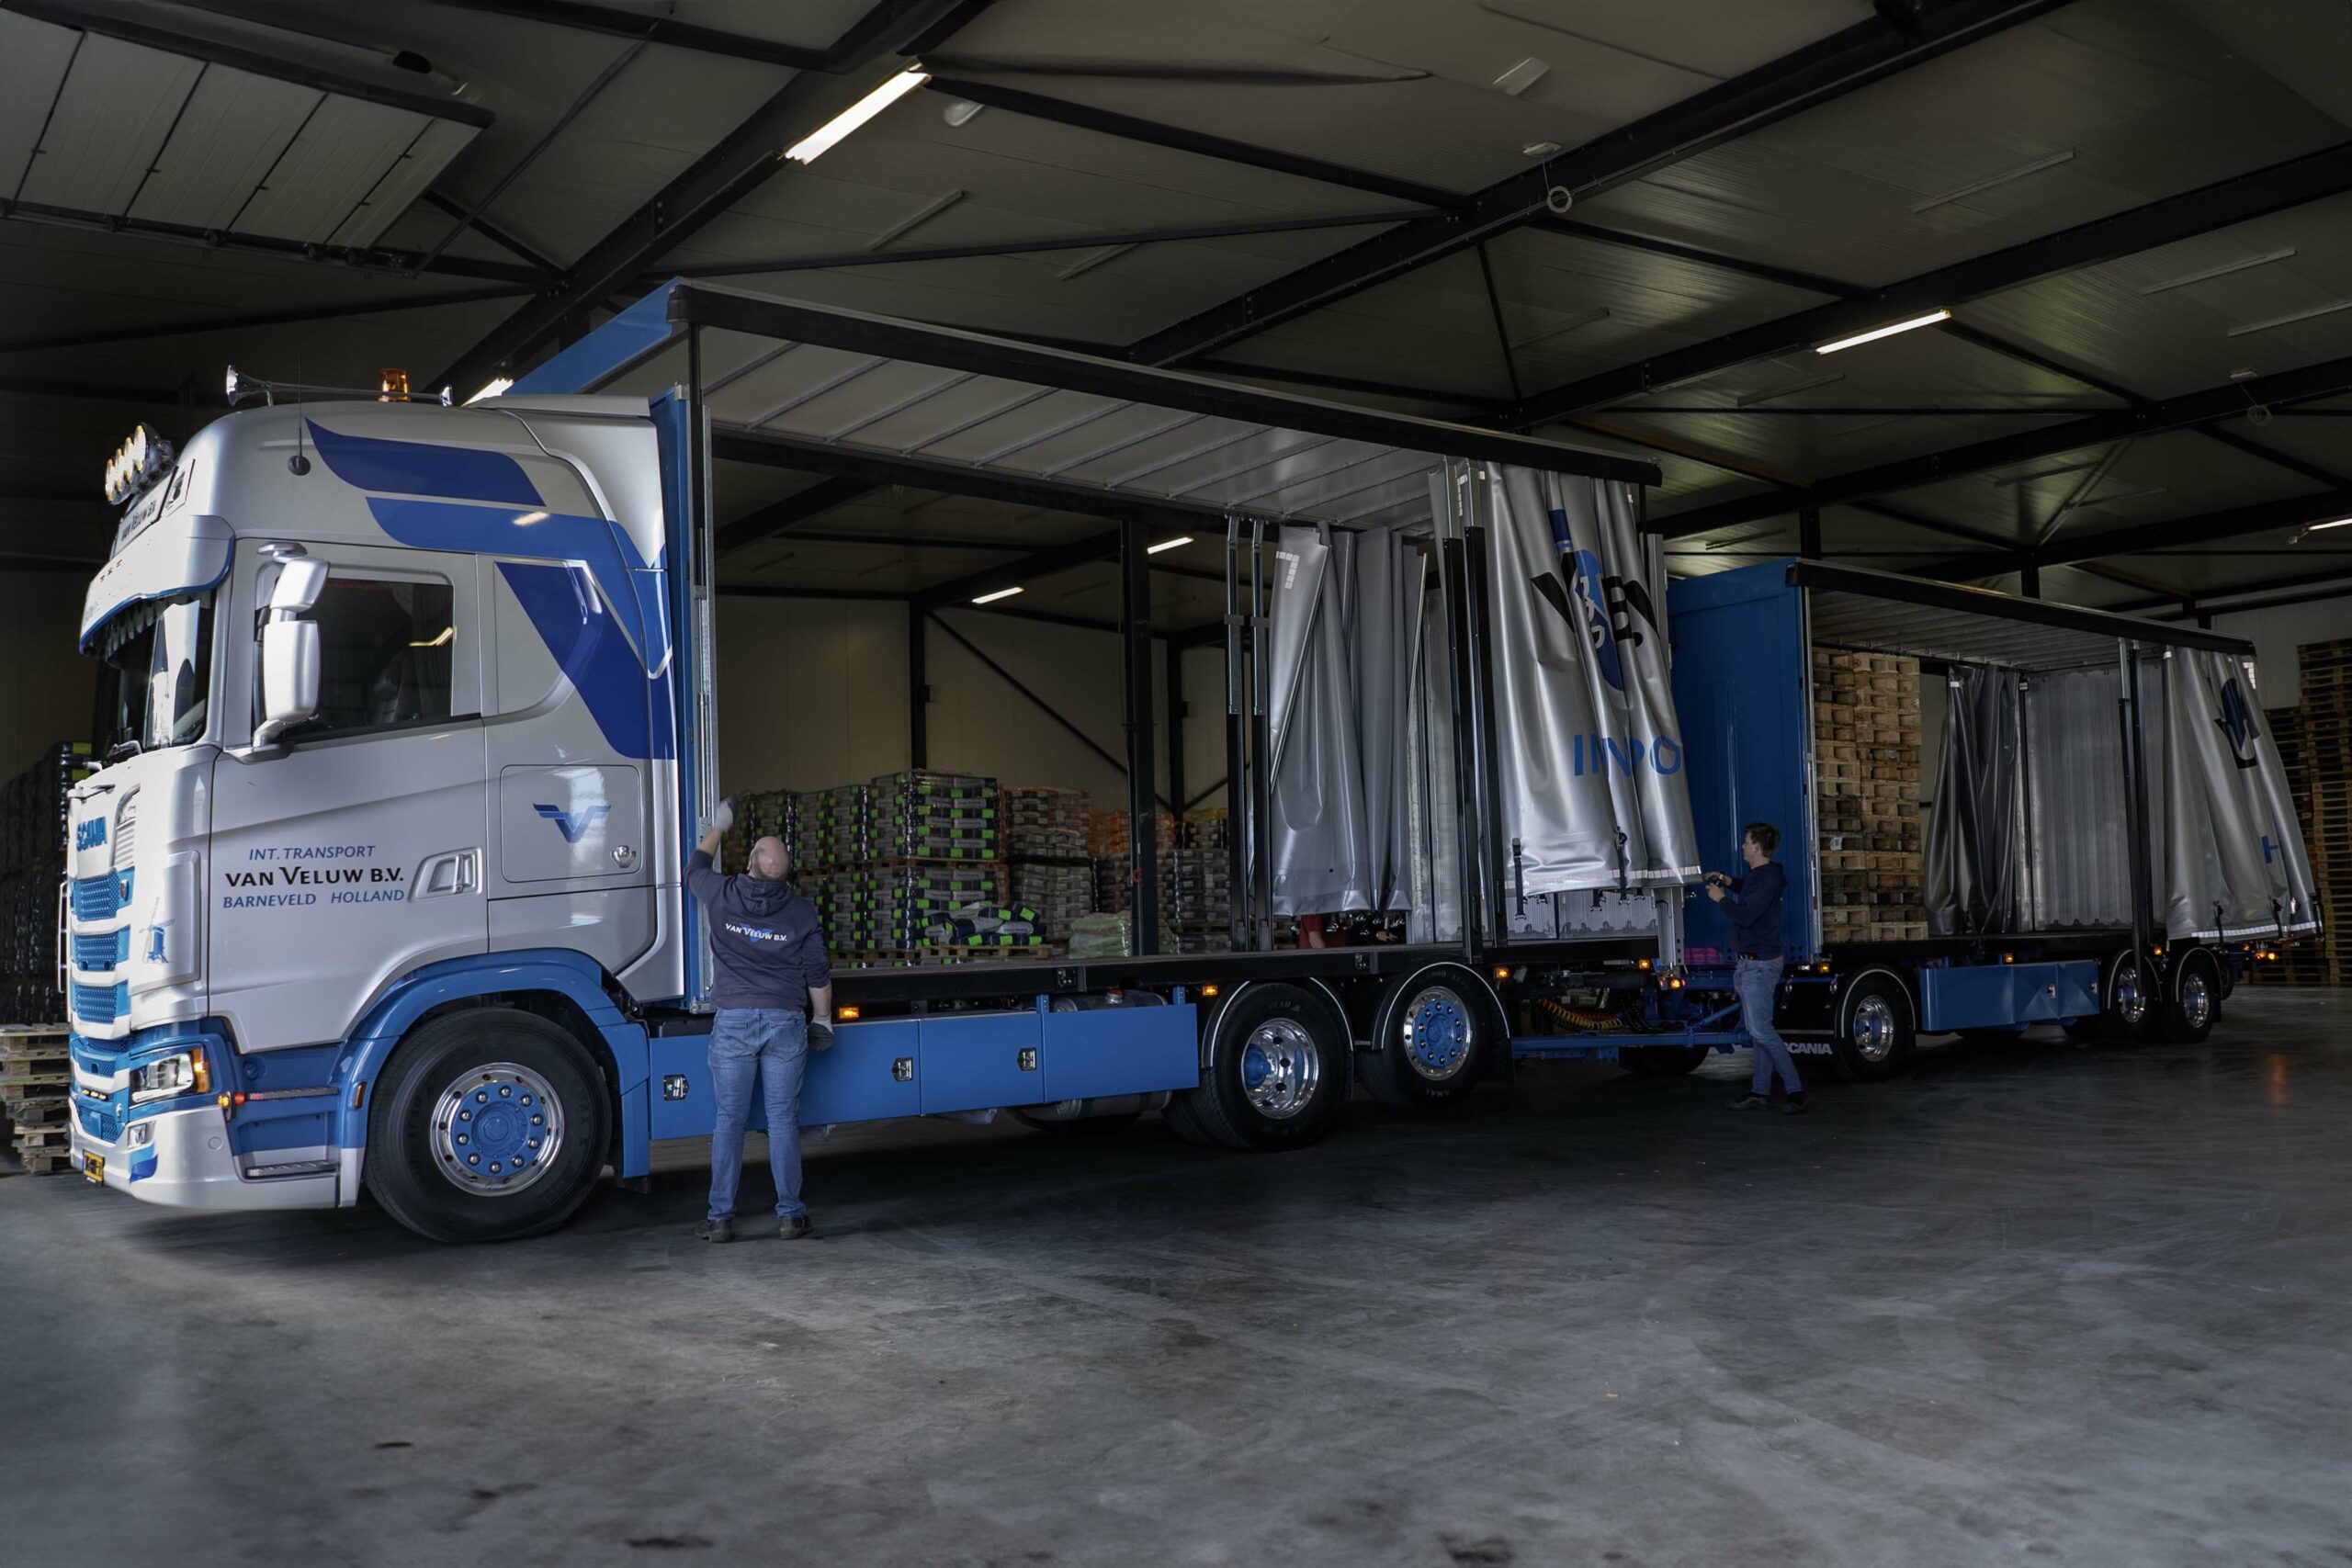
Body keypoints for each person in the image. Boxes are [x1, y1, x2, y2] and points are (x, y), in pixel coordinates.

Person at [684, 798, 835, 1242]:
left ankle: (720, 1219)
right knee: (783, 1120)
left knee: (729, 1121)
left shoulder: (723, 893)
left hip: (733, 1021)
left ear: (749, 863)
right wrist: (823, 1020)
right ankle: (790, 1215)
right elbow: (817, 974)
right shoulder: (801, 912)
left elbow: (694, 869)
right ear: (786, 875)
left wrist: (718, 827)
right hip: (785, 1021)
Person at [1706, 821, 1805, 1114]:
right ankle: (1759, 1092)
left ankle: (1796, 1091)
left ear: (1757, 848)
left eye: (1747, 842)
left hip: (1760, 965)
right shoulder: (1760, 876)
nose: (1743, 846)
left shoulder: (1768, 879)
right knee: (1759, 1032)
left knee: (1762, 1031)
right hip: (1751, 963)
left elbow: (1746, 915)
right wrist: (1728, 881)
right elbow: (1749, 891)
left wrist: (1721, 899)